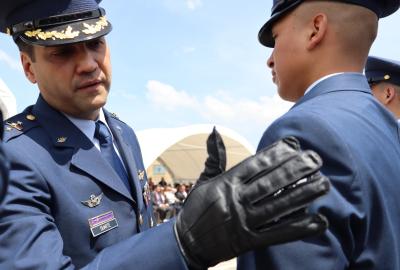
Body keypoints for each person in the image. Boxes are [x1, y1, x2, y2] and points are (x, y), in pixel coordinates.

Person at [0, 1, 331, 269]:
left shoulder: (121, 133)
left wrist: (193, 218)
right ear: (28, 67)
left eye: (95, 43)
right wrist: (181, 242)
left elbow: (134, 235)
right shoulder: (14, 156)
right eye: (63, 52)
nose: (88, 63)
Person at [238, 1, 400, 269]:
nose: (270, 59)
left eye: (275, 38)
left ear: (315, 29)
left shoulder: (302, 132)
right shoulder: (385, 125)